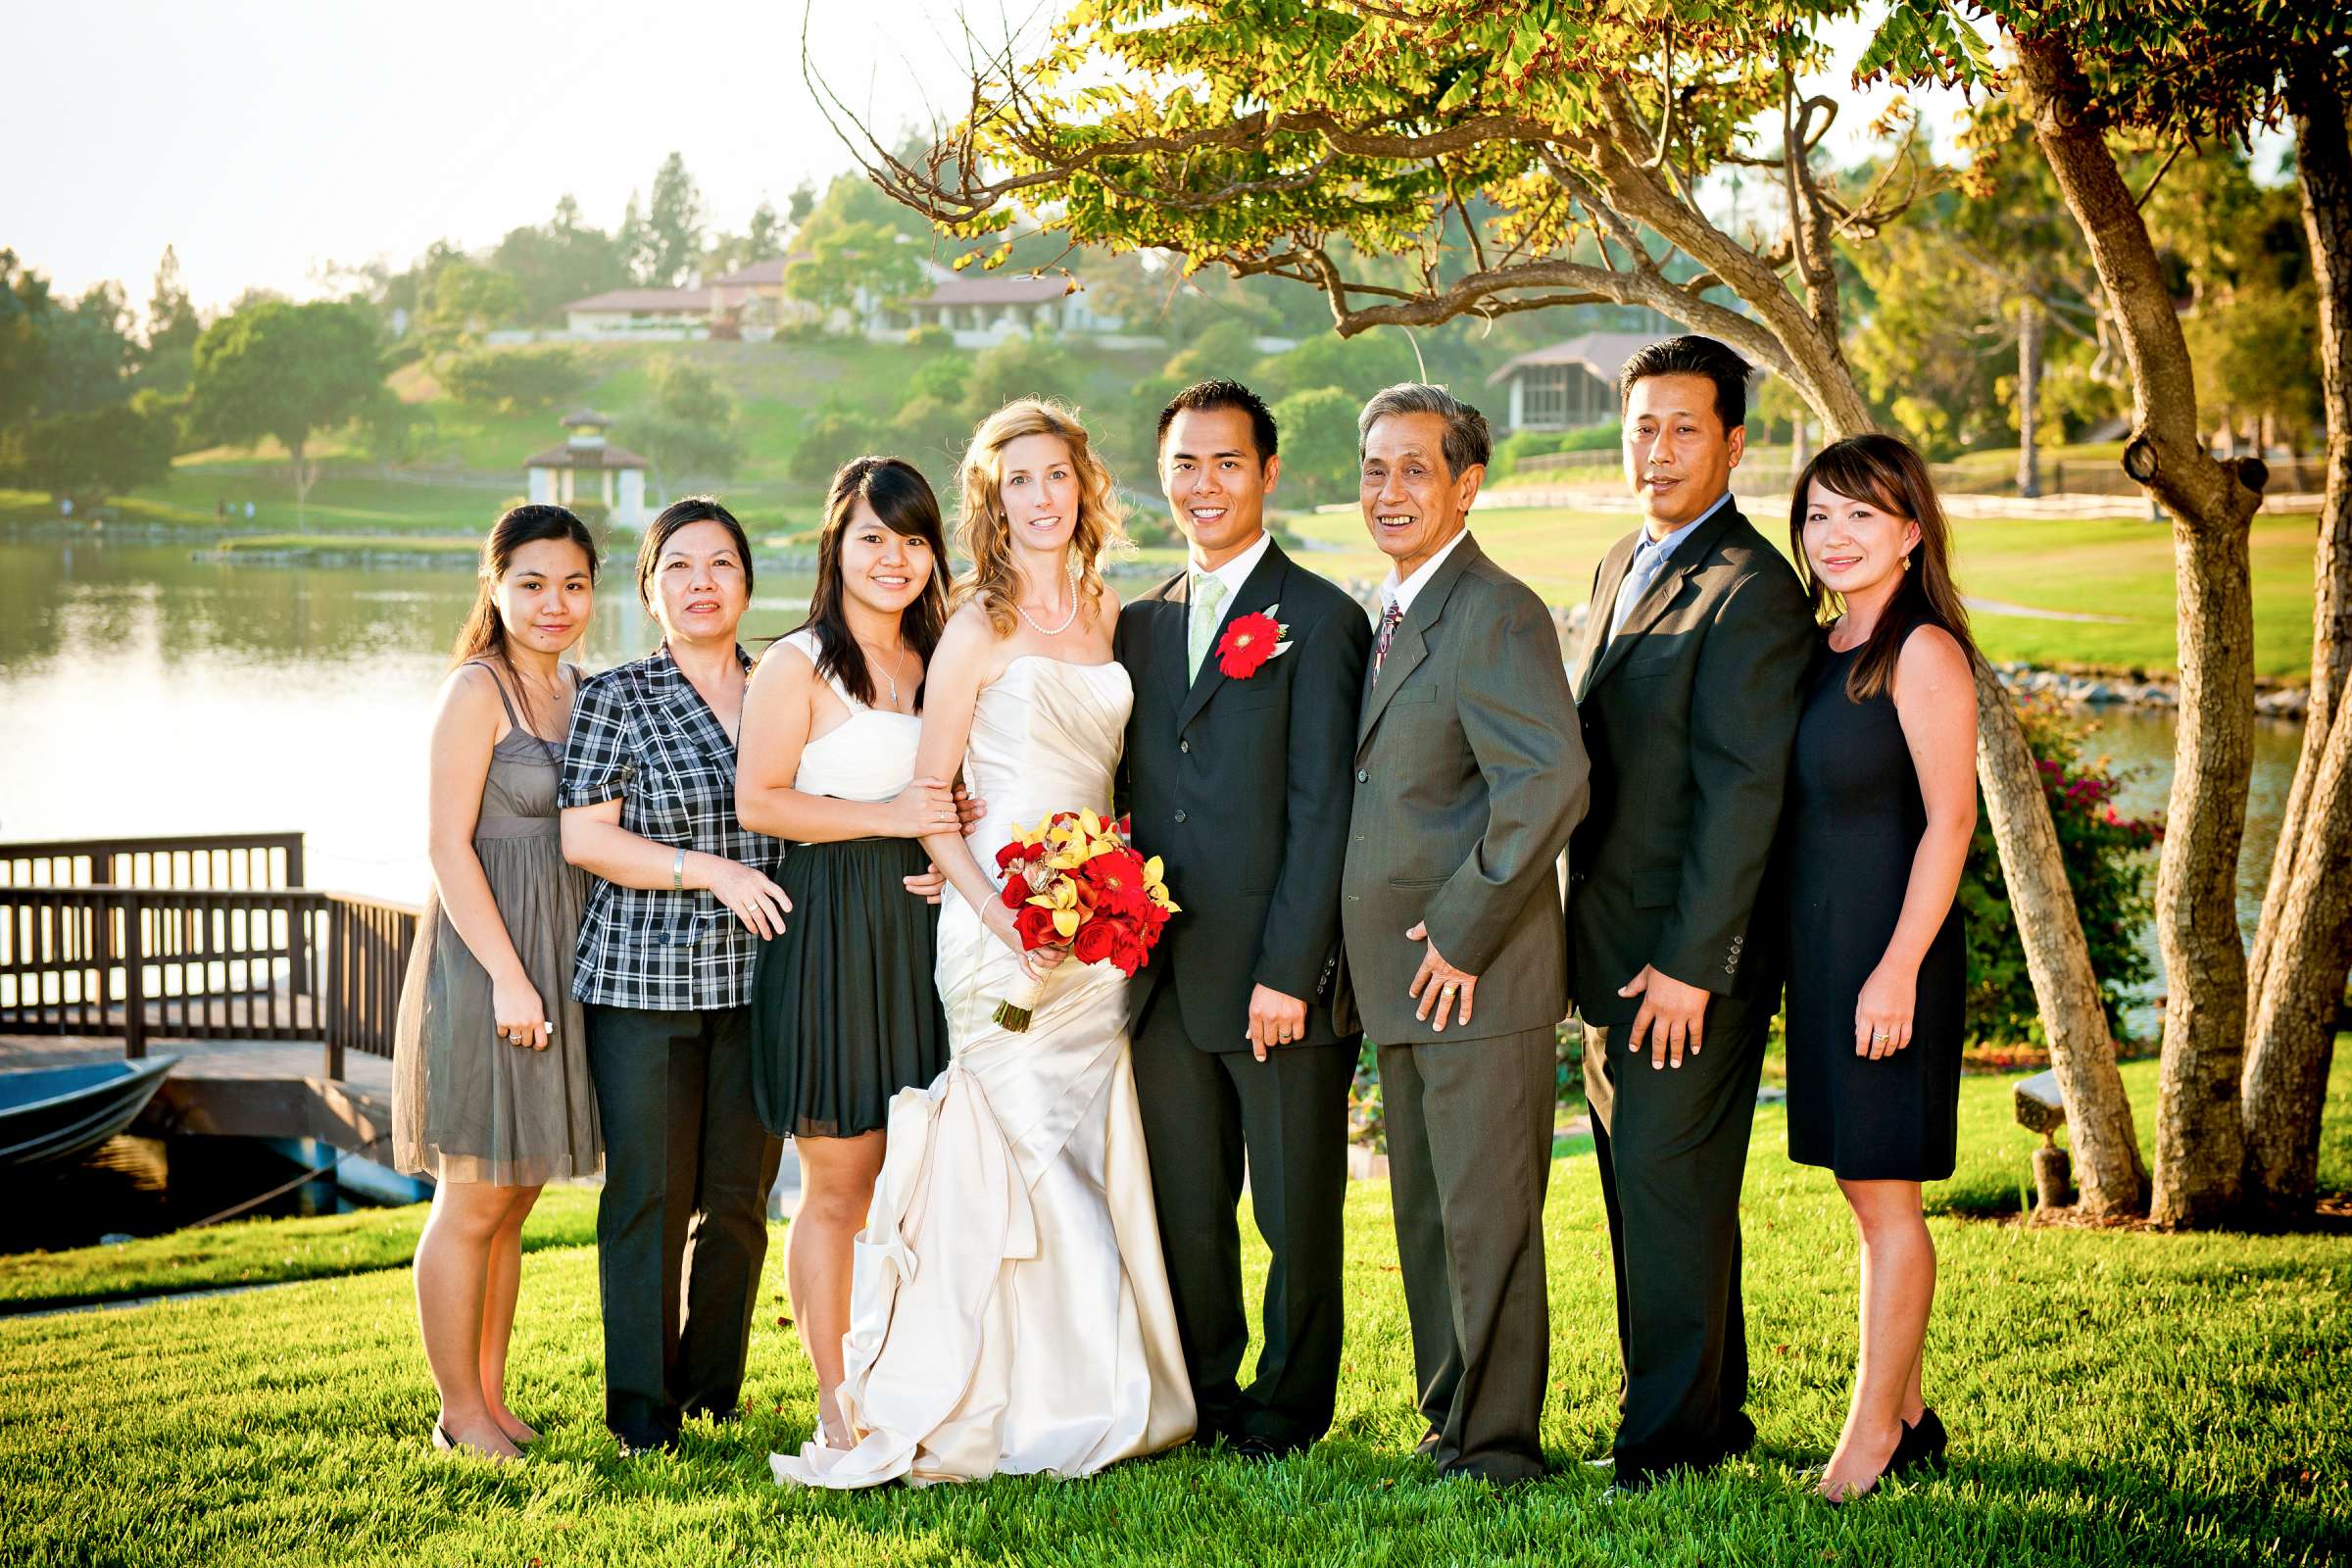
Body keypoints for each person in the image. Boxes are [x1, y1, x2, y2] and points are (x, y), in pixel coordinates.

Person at [771, 399, 1194, 1489]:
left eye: (1056, 475)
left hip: (1098, 916)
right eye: (1017, 482)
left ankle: (1098, 1384)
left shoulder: (1112, 612)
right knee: (1008, 1137)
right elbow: (930, 795)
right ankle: (1005, 1404)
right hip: (993, 919)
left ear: (1084, 485)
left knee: (1088, 1137)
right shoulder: (974, 625)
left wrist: (1111, 890)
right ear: (991, 501)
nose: (1040, 497)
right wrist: (1002, 912)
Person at [1565, 334, 1815, 1494]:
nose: (1656, 449)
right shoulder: (1628, 557)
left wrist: (1691, 965)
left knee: (1667, 1188)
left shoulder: (1753, 590)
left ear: (1735, 442)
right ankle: (1711, 1416)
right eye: (1642, 426)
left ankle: (1663, 1448)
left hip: (1683, 962)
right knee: (1663, 1196)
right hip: (1612, 949)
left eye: (1683, 429)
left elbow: (1741, 795)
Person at [1114, 379, 1372, 1458]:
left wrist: (1290, 969)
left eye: (1226, 463)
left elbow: (1325, 812)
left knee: (1295, 1209)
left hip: (1276, 974)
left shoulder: (1321, 618)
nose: (1204, 484)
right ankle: (1207, 1395)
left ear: (1269, 472)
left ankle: (1288, 1407)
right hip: (1157, 970)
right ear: (1162, 475)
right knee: (1186, 1203)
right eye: (1185, 463)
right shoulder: (1136, 620)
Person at [1340, 382, 1588, 1485]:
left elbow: (1550, 781)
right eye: (1375, 468)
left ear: (1468, 484)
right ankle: (1452, 1417)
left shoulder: (1496, 609)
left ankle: (1494, 1446)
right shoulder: (1391, 606)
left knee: (1487, 1219)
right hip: (1401, 971)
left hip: (1473, 971)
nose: (1390, 491)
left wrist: (1462, 931)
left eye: (1415, 469)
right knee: (1430, 1213)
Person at [735, 456, 959, 1452]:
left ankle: (915, 1369)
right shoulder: (797, 666)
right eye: (872, 536)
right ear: (837, 543)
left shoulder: (947, 652)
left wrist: (955, 854)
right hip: (829, 933)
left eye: (912, 539)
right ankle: (838, 1393)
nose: (893, 558)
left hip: (927, 935)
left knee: (925, 1170)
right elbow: (760, 801)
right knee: (840, 1179)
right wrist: (885, 818)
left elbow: (961, 792)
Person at [559, 497, 790, 1457]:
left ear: (746, 579)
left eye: (721, 564)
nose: (702, 583)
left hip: (764, 986)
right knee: (650, 1193)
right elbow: (584, 837)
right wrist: (715, 870)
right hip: (644, 986)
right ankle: (643, 1412)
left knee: (740, 1195)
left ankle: (712, 1389)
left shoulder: (789, 681)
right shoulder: (619, 695)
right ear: (650, 590)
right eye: (679, 567)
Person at [1780, 434, 1976, 1500]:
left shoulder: (1923, 652)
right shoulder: (1817, 649)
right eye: (1818, 515)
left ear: (1910, 530)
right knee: (1861, 1186)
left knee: (1887, 1199)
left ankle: (1869, 1443)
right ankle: (1911, 1415)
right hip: (1823, 956)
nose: (1836, 536)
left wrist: (1898, 967)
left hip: (1889, 956)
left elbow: (1950, 824)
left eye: (1862, 515)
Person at [393, 503, 603, 1461]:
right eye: (531, 582)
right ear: (495, 585)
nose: (553, 603)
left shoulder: (578, 691)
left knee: (515, 1192)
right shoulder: (477, 691)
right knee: (473, 1192)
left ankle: (493, 1397)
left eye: (572, 584)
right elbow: (444, 844)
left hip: (560, 957)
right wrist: (512, 979)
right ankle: (457, 1414)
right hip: (489, 965)